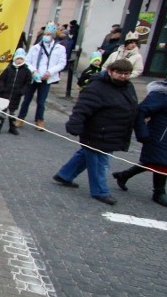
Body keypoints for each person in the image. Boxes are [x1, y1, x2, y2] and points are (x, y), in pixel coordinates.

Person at [52, 59, 138, 205]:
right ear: (110, 71)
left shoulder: (128, 87)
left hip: (114, 131)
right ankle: (100, 191)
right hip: (97, 132)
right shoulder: (97, 87)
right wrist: (74, 124)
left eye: (126, 74)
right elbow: (82, 108)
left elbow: (134, 108)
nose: (123, 76)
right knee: (100, 162)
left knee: (86, 154)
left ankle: (65, 175)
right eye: (119, 73)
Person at [112, 64, 167, 208]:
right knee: (163, 162)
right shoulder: (161, 94)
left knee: (159, 161)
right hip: (163, 134)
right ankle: (159, 192)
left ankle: (124, 175)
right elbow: (141, 112)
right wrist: (142, 133)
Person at [17, 22, 67, 131]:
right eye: (46, 34)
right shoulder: (35, 47)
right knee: (27, 99)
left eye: (49, 34)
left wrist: (49, 72)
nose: (47, 36)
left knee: (41, 101)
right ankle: (21, 118)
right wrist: (34, 71)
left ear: (53, 36)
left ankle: (39, 120)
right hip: (34, 76)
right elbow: (27, 61)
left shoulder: (59, 48)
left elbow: (62, 63)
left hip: (46, 78)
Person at [0, 48, 33, 135]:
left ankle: (12, 127)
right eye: (18, 59)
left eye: (21, 59)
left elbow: (28, 83)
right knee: (3, 111)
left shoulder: (26, 71)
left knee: (12, 112)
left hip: (16, 95)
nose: (19, 61)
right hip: (6, 94)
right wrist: (2, 88)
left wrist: (22, 91)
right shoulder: (8, 69)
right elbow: (2, 79)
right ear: (14, 59)